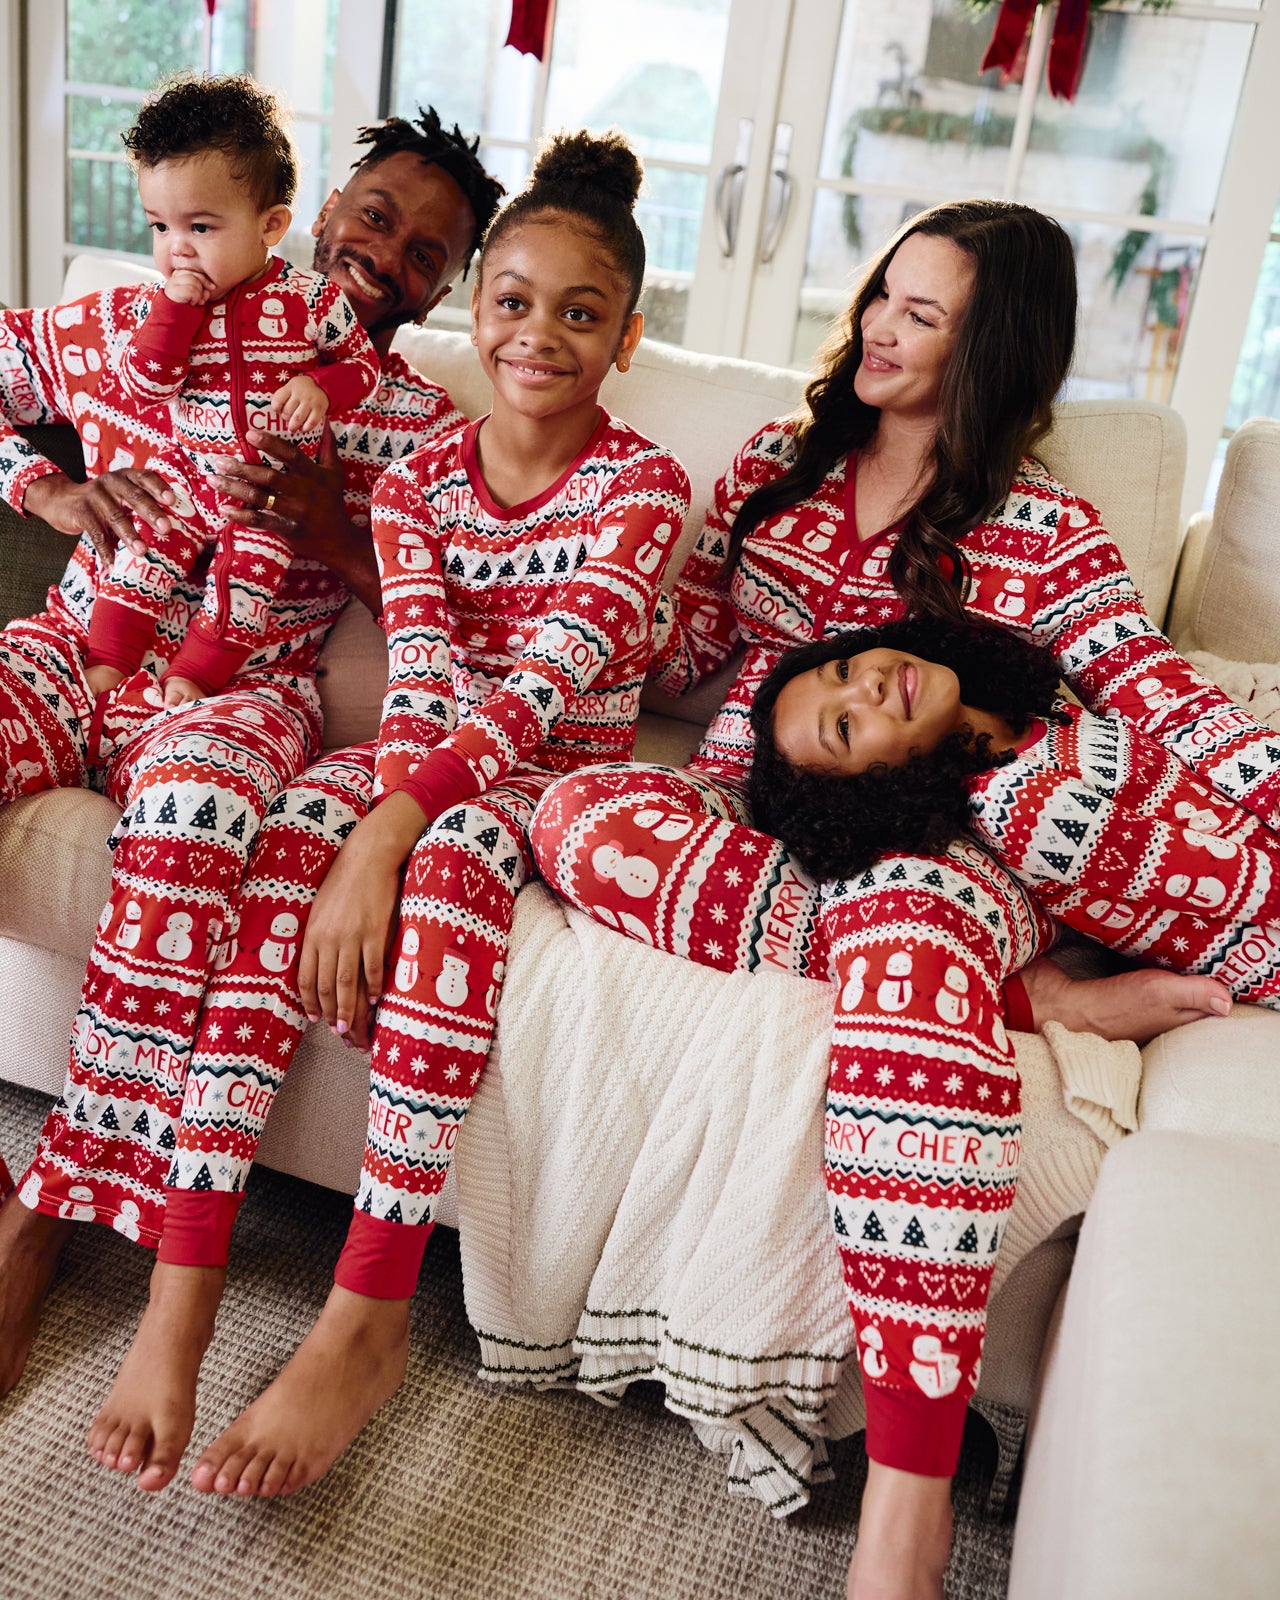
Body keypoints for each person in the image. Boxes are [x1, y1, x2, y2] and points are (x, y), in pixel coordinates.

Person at [525, 200, 1276, 1600]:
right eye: (885, 294)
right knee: (574, 812)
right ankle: (1013, 1003)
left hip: (947, 861)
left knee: (924, 908)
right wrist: (600, 550)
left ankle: (907, 1517)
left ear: (992, 352)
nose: (879, 326)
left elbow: (1154, 692)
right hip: (766, 826)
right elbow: (683, 646)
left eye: (924, 317)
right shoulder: (775, 464)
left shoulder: (1041, 526)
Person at [85, 128, 691, 1501]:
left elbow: (545, 689)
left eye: (581, 314)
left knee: (456, 856)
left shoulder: (645, 487)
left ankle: (365, 1312)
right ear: (476, 312)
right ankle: (184, 1287)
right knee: (284, 835)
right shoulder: (417, 475)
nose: (541, 337)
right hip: (425, 753)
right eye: (515, 303)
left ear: (628, 338)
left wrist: (389, 836)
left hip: (549, 778)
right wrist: (360, 818)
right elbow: (421, 672)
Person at [0, 105, 504, 1399]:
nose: (390, 258)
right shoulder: (125, 321)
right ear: (317, 208)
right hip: (76, 643)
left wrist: (340, 529)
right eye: (379, 217)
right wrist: (42, 486)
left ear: (445, 288)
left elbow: (474, 623)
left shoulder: (418, 424)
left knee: (190, 823)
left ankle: (42, 1217)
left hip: (248, 697)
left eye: (429, 256)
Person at [750, 617, 1280, 1006]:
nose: (869, 683)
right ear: (865, 793)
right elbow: (1231, 880)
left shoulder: (1033, 715)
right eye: (844, 727)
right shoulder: (1019, 808)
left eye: (842, 669)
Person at [86, 75, 382, 711]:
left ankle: (196, 673)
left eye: (200, 226)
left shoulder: (312, 299)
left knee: (246, 587)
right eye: (160, 227)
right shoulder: (166, 307)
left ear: (270, 224)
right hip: (189, 471)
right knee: (144, 549)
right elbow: (144, 386)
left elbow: (364, 368)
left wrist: (321, 387)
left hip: (268, 487)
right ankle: (108, 660)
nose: (177, 249)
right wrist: (174, 316)